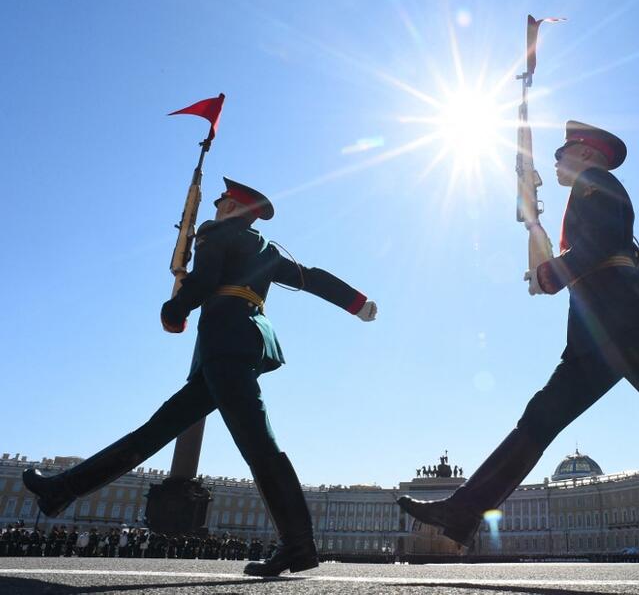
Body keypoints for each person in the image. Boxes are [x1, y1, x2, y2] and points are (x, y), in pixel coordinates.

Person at [397, 121, 639, 585]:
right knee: (543, 416)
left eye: (561, 152)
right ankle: (463, 510)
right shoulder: (594, 193)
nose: (555, 160)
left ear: (586, 154)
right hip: (604, 332)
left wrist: (551, 275)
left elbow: (605, 249)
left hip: (623, 329)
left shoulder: (596, 184)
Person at [22, 177, 378, 577]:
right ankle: (62, 490)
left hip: (224, 343)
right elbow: (310, 277)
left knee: (258, 445)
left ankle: (298, 545)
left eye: (223, 199)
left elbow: (205, 280)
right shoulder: (266, 249)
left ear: (233, 209)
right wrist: (356, 302)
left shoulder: (218, 234)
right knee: (157, 431)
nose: (217, 201)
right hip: (241, 342)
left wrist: (176, 309)